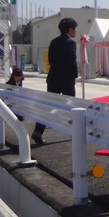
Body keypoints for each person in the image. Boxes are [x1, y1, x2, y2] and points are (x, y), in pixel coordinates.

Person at [32, 17, 78, 145]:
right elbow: (72, 62)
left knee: (48, 106)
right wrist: (75, 75)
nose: (76, 31)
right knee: (73, 108)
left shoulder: (53, 42)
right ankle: (76, 133)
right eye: (75, 28)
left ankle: (38, 131)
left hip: (53, 78)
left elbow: (51, 60)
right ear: (71, 30)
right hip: (66, 79)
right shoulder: (71, 43)